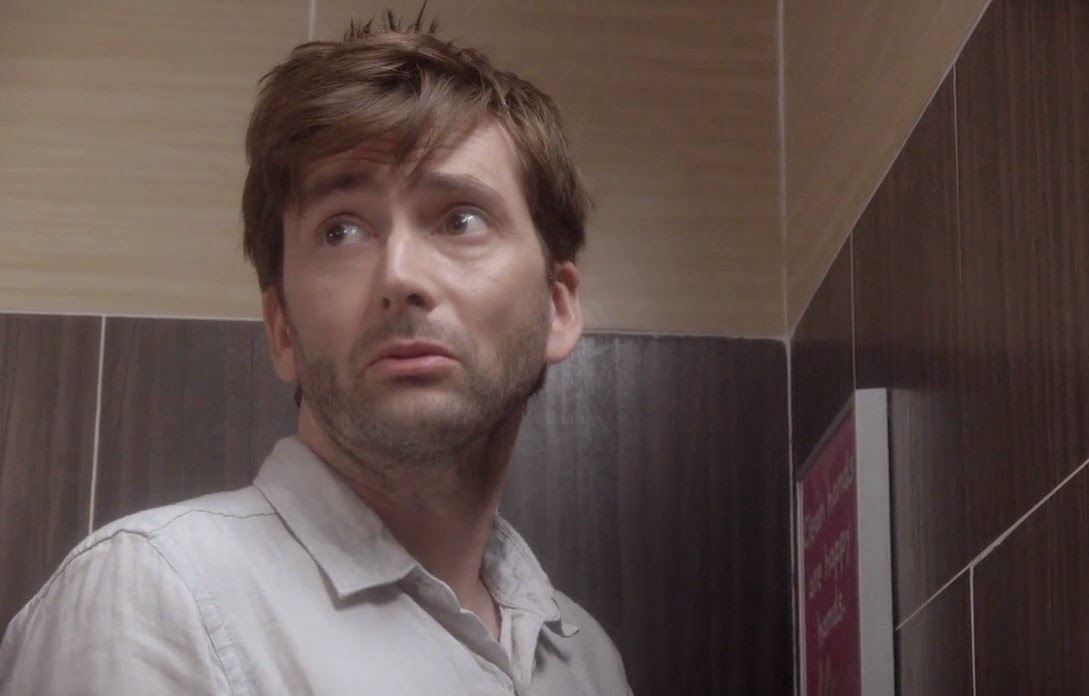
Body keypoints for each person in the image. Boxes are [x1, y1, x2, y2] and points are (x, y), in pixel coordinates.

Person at [0, 10, 631, 695]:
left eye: (461, 220)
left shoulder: (587, 660)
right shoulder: (153, 598)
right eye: (342, 232)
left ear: (558, 307)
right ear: (282, 331)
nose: (400, 276)